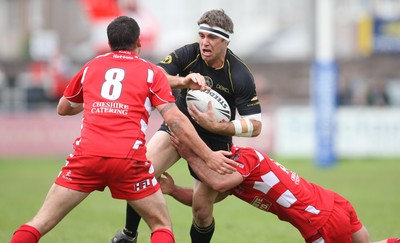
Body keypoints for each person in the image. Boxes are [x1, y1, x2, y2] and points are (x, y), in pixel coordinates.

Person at [9, 15, 237, 243]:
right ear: (139, 42)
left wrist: (95, 101)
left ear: (109, 44)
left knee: (39, 223)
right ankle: (132, 234)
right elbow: (175, 120)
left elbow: (63, 108)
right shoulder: (150, 72)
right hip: (128, 161)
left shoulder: (91, 67)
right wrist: (208, 155)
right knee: (161, 226)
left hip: (86, 157)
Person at [109, 9, 262, 243]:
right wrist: (183, 81)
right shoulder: (189, 53)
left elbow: (255, 125)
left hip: (214, 142)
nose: (204, 42)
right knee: (140, 174)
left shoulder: (239, 74)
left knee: (202, 211)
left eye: (211, 38)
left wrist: (223, 127)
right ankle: (129, 235)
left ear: (225, 41)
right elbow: (155, 76)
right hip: (177, 128)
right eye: (201, 35)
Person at [160, 134, 399, 243]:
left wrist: (189, 153)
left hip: (319, 222)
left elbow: (217, 183)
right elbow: (203, 200)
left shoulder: (245, 159)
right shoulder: (234, 173)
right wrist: (172, 190)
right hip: (332, 203)